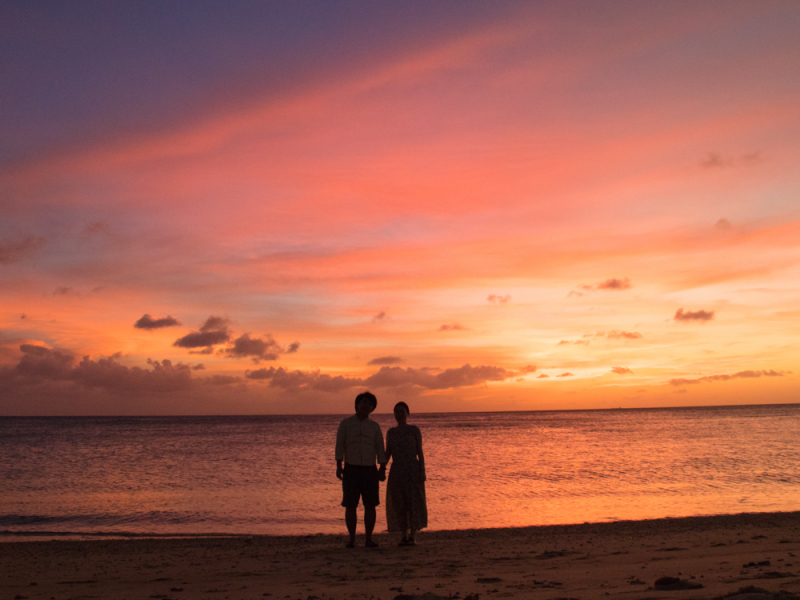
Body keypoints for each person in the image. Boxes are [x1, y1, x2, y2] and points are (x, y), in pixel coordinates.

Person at [335, 391, 387, 548]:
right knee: (350, 505)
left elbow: (380, 448)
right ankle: (352, 539)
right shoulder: (346, 424)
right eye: (364, 402)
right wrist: (338, 466)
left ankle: (368, 539)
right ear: (357, 404)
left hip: (370, 469)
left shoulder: (375, 426)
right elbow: (340, 445)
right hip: (351, 468)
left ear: (372, 408)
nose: (366, 406)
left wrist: (382, 468)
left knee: (370, 505)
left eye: (370, 404)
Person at [384, 401, 427, 546]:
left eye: (402, 411)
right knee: (399, 504)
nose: (399, 414)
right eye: (397, 412)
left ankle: (412, 536)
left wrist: (422, 471)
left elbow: (420, 452)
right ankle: (403, 535)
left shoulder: (414, 430)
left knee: (413, 503)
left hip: (413, 469)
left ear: (407, 414)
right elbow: (388, 453)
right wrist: (381, 468)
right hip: (397, 471)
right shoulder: (391, 432)